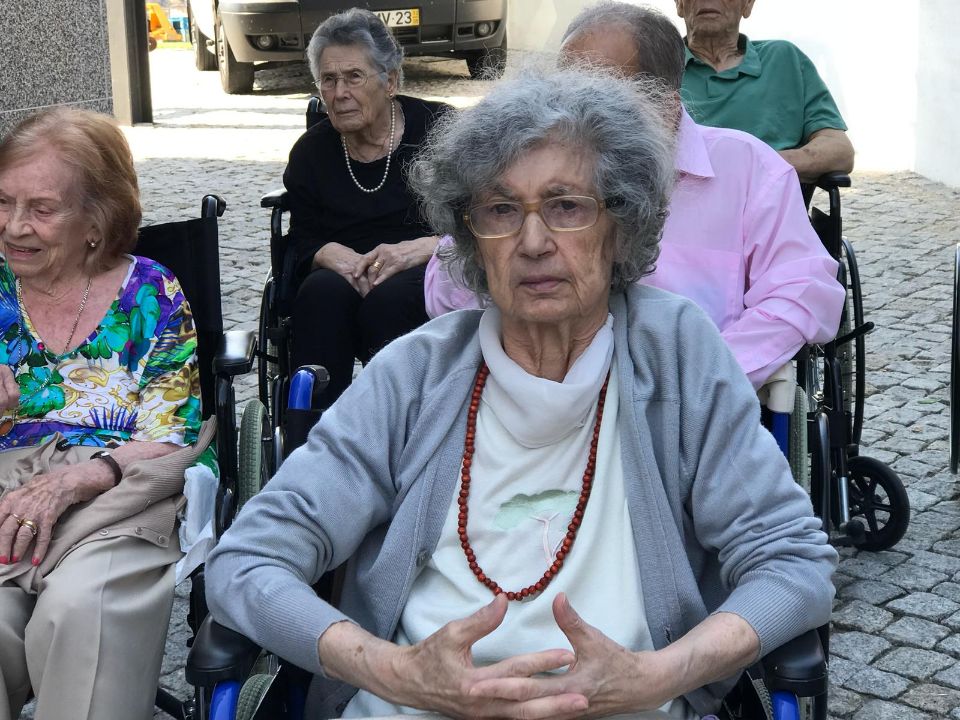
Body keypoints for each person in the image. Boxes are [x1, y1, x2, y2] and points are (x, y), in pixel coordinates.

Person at [205, 64, 836, 719]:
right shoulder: (416, 374)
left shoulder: (677, 355)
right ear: (471, 239)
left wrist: (657, 676)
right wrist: (394, 672)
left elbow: (792, 563)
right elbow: (246, 562)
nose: (533, 242)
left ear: (619, 225)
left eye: (567, 206)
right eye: (501, 211)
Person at [425, 1, 844, 390]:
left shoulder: (748, 168)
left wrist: (706, 376)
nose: (567, 112)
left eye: (596, 99)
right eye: (562, 90)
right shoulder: (523, 167)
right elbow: (448, 282)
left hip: (691, 400)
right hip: (546, 393)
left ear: (665, 104)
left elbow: (803, 291)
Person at [0, 107, 212, 720]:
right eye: (3, 202)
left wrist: (75, 480)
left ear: (96, 220)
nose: (14, 226)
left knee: (81, 610)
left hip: (114, 492)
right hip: (6, 494)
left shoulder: (150, 292)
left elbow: (172, 434)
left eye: (42, 208)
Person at [285, 8, 452, 407]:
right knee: (320, 294)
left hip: (423, 263)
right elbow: (301, 239)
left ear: (390, 81)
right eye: (329, 79)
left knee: (389, 303)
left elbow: (479, 218)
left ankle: (405, 423)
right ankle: (317, 429)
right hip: (346, 271)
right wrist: (328, 253)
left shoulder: (440, 131)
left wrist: (423, 248)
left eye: (354, 76)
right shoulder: (310, 153)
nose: (339, 92)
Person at [676, 0, 854, 181]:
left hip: (770, 195)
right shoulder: (662, 68)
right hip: (680, 196)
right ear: (679, 4)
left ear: (747, 5)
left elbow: (839, 150)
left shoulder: (785, 59)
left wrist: (759, 164)